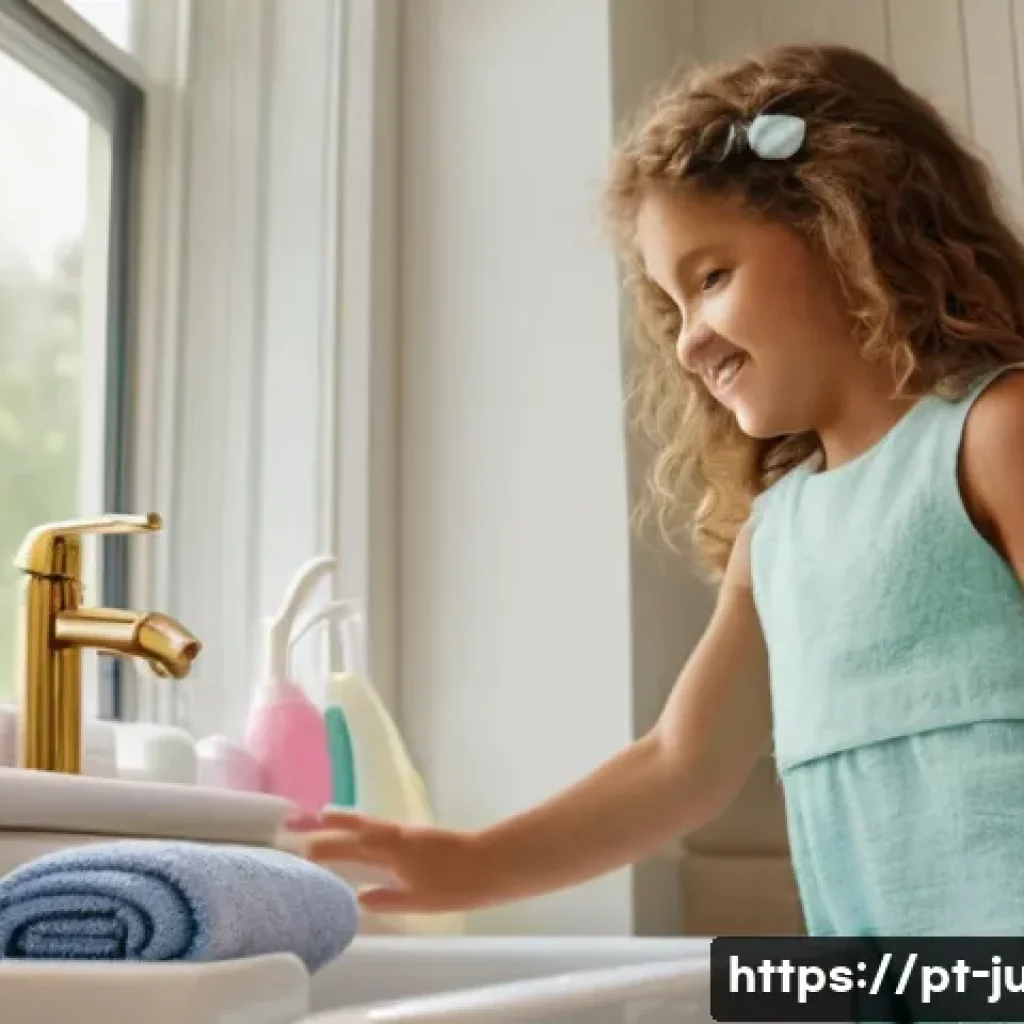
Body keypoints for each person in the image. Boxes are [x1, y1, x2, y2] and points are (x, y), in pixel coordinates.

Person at [289, 43, 1024, 937]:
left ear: (851, 223)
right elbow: (680, 763)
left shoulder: (994, 435)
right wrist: (474, 863)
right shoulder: (780, 532)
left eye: (712, 279)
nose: (688, 343)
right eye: (671, 309)